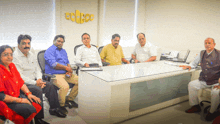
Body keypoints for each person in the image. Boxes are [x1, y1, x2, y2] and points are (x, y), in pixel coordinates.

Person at [13, 34, 66, 118]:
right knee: (37, 90)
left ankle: (54, 109)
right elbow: (20, 76)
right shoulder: (14, 57)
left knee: (50, 85)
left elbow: (38, 68)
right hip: (23, 84)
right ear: (18, 45)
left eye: (28, 43)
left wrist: (39, 80)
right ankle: (38, 118)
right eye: (24, 43)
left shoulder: (31, 53)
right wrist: (35, 83)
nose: (27, 46)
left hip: (35, 80)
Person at [180, 37, 220, 121]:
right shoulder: (202, 53)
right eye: (205, 43)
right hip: (204, 80)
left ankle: (212, 112)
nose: (207, 45)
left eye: (209, 43)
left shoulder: (219, 54)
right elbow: (194, 63)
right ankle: (195, 106)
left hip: (216, 81)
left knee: (215, 92)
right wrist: (189, 66)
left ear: (214, 44)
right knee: (192, 85)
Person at [0, 45, 42, 124]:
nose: (9, 57)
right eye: (5, 54)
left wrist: (29, 94)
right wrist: (21, 100)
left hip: (17, 95)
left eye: (11, 54)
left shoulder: (12, 66)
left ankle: (37, 120)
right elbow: (1, 96)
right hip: (8, 101)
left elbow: (20, 82)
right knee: (29, 109)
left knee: (36, 100)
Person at [44, 35, 78, 115]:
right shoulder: (49, 51)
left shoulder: (63, 51)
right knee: (65, 86)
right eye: (58, 41)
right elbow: (54, 65)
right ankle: (61, 105)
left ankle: (69, 99)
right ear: (54, 41)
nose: (60, 43)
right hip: (55, 75)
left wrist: (69, 70)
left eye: (62, 42)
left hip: (65, 74)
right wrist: (66, 68)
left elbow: (67, 62)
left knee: (80, 81)